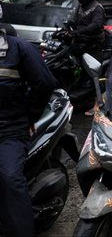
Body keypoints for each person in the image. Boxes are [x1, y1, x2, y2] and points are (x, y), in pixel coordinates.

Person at [0, 16, 58, 236]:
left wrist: (30, 115)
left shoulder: (18, 48)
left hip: (9, 130)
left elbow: (45, 83)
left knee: (10, 179)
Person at [67, 0, 109, 115]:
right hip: (80, 44)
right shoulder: (81, 7)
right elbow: (74, 20)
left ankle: (98, 105)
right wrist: (68, 27)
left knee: (93, 75)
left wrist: (79, 32)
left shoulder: (97, 8)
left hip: (94, 46)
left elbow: (96, 25)